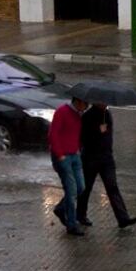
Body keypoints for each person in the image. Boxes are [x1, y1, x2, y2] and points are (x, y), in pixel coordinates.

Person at [77, 102, 136, 229]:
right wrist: (98, 131)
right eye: (103, 102)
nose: (105, 104)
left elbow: (108, 136)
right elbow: (84, 138)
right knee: (86, 188)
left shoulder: (107, 114)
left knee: (112, 187)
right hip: (91, 158)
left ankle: (123, 218)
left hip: (106, 158)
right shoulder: (87, 116)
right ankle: (80, 215)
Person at [48, 97, 88, 236]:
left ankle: (60, 208)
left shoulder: (79, 115)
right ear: (78, 101)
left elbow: (76, 135)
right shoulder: (62, 112)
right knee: (71, 190)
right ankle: (71, 224)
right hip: (63, 157)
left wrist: (78, 150)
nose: (86, 106)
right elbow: (53, 134)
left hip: (74, 155)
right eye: (85, 103)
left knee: (80, 187)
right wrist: (60, 155)